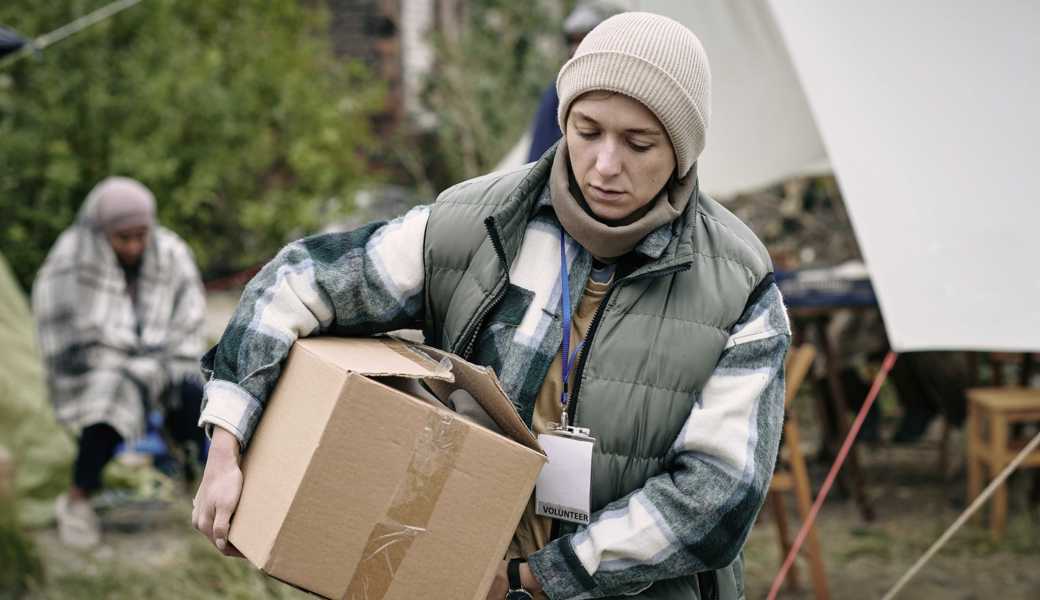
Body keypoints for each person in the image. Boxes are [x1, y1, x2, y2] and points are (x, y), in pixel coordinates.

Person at [193, 12, 789, 600]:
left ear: (682, 151)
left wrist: (533, 579)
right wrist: (227, 443)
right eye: (587, 131)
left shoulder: (737, 286)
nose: (607, 165)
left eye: (639, 143)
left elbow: (718, 494)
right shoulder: (473, 226)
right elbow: (297, 283)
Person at [32, 176, 207, 548]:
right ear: (103, 230)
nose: (134, 246)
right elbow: (69, 332)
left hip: (163, 358)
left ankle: (200, 487)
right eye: (123, 238)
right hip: (100, 365)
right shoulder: (72, 257)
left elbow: (189, 318)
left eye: (140, 236)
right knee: (113, 395)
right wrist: (130, 360)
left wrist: (154, 359)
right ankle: (78, 498)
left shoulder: (172, 252)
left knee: (195, 392)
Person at [526, 1, 624, 163]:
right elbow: (537, 159)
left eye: (583, 40)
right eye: (572, 41)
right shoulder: (558, 92)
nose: (575, 49)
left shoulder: (626, 88)